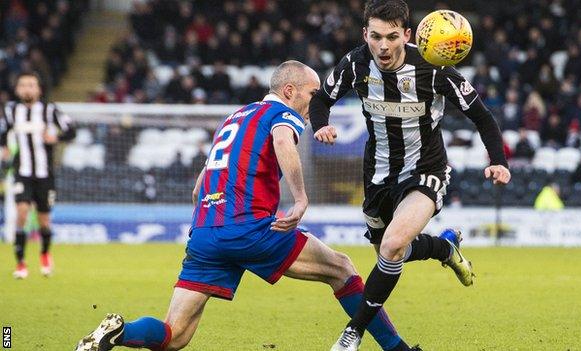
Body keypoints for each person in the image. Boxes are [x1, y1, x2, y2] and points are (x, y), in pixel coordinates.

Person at [75, 61, 422, 351]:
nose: (316, 101)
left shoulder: (235, 118)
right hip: (249, 228)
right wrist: (301, 198)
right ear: (290, 91)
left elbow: (199, 188)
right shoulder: (283, 115)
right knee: (343, 269)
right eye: (313, 94)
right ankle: (398, 348)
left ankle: (121, 331)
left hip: (206, 234)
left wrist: (208, 225)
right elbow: (284, 141)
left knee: (175, 335)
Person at [308, 1, 511, 350]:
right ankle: (445, 249)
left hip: (425, 171)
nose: (383, 46)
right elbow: (320, 99)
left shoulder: (434, 69)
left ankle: (350, 334)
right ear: (365, 35)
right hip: (378, 176)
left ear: (407, 34)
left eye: (391, 37)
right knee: (390, 254)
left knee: (391, 245)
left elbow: (482, 116)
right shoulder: (355, 63)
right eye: (375, 37)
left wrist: (499, 160)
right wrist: (321, 124)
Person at [0, 71, 76, 279]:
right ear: (17, 89)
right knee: (21, 213)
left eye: (31, 85)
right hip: (21, 172)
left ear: (38, 89)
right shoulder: (11, 110)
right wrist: (5, 146)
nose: (27, 88)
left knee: (44, 220)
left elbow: (71, 130)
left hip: (45, 175)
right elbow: (4, 131)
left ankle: (44, 254)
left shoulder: (50, 111)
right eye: (23, 85)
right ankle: (21, 263)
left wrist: (56, 137)